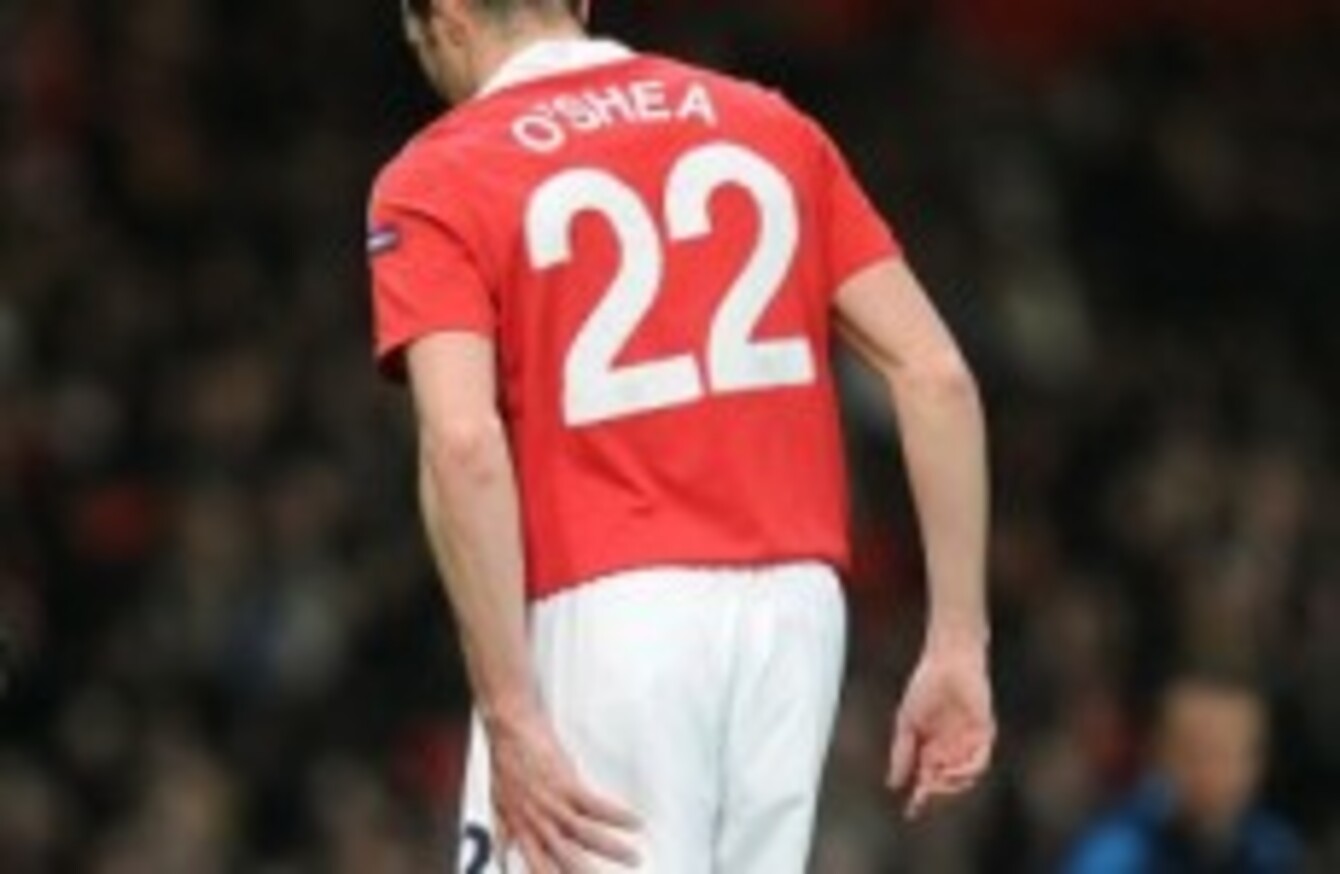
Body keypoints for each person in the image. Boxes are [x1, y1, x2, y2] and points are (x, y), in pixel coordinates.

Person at [365, 1, 995, 870]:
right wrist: (958, 642)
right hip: (797, 613)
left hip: (606, 614)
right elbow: (936, 376)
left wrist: (510, 712)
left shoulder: (440, 172)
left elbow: (463, 443)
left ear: (446, 19)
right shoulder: (769, 125)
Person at [1063, 673, 1302, 874]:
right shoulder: (1118, 853)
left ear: (1257, 763)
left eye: (1228, 752)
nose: (1212, 771)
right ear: (1162, 755)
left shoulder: (1274, 851)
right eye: (1196, 752)